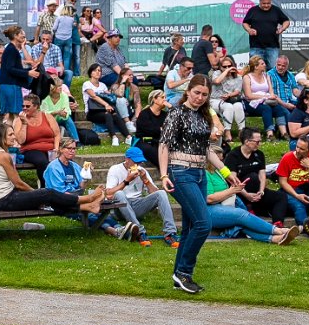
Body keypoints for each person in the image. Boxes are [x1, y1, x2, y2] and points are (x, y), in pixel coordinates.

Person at [157, 75, 229, 295]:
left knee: (190, 227)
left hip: (199, 173)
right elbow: (164, 144)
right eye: (197, 92)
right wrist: (163, 175)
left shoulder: (204, 116)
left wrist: (226, 172)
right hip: (180, 171)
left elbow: (207, 149)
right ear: (188, 91)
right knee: (203, 223)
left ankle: (179, 274)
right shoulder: (176, 113)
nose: (200, 97)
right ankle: (184, 272)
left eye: (204, 94)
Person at [0, 134, 99, 219]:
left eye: (74, 148)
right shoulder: (2, 155)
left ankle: (87, 207)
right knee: (48, 194)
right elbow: (18, 183)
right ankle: (87, 200)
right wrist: (37, 194)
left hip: (3, 198)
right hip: (3, 200)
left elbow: (16, 184)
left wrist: (86, 176)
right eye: (11, 134)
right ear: (2, 137)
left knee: (50, 202)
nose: (14, 136)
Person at [203, 164, 296, 244]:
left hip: (223, 205)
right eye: (219, 156)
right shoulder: (205, 173)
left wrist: (236, 189)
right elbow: (209, 199)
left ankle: (274, 238)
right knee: (240, 214)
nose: (222, 158)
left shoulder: (218, 172)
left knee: (241, 222)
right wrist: (231, 191)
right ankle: (278, 231)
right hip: (208, 210)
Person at [103, 147, 178, 243]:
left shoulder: (142, 171)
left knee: (161, 193)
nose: (137, 165)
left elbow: (155, 193)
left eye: (139, 162)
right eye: (135, 162)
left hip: (137, 205)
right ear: (127, 159)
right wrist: (126, 181)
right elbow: (109, 193)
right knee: (119, 193)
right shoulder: (115, 169)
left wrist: (145, 180)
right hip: (119, 207)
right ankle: (139, 232)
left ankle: (170, 233)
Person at [82, 63, 132, 143]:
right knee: (108, 114)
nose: (98, 72)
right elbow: (94, 96)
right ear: (91, 73)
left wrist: (122, 99)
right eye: (95, 70)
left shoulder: (103, 85)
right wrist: (106, 104)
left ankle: (128, 137)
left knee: (115, 115)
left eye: (99, 71)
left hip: (104, 109)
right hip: (92, 112)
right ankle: (114, 137)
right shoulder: (87, 84)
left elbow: (110, 96)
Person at [14, 93, 59, 178]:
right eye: (23, 106)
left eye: (27, 106)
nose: (24, 108)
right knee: (42, 161)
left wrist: (56, 148)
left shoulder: (47, 116)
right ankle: (45, 184)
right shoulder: (19, 120)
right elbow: (21, 141)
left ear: (36, 106)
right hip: (31, 149)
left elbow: (57, 134)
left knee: (64, 159)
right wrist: (24, 123)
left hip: (50, 149)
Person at [241, 0, 289, 71]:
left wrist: (282, 28)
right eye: (264, 3)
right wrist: (249, 30)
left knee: (273, 69)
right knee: (255, 69)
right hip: (256, 46)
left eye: (268, 3)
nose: (266, 5)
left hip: (273, 47)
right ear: (260, 2)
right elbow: (245, 23)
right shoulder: (253, 10)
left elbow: (286, 21)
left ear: (271, 2)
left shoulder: (276, 10)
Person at [132, 88, 169, 167]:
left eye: (165, 97)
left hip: (159, 141)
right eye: (162, 97)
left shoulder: (165, 114)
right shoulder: (144, 114)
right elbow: (150, 130)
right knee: (152, 150)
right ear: (154, 99)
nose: (165, 100)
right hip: (145, 141)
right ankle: (166, 171)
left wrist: (171, 107)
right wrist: (161, 129)